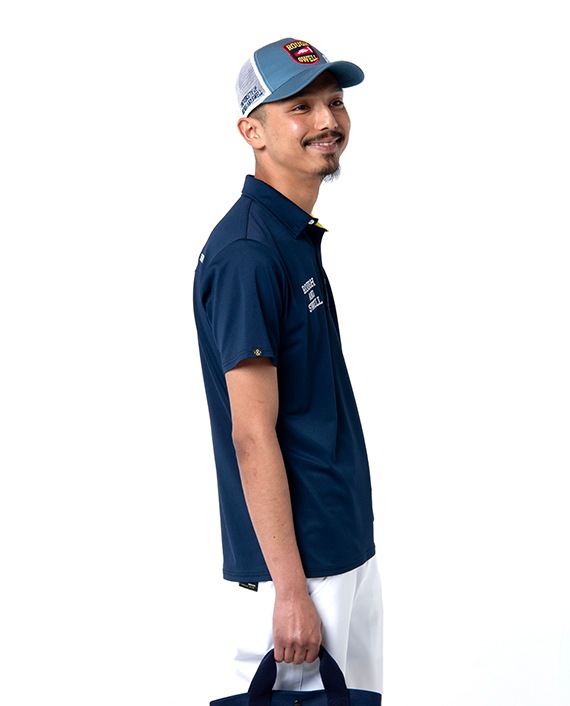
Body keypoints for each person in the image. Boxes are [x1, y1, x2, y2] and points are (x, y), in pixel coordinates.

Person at [193, 38, 383, 695]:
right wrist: (291, 591)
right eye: (299, 107)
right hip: (301, 571)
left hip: (340, 549)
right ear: (252, 131)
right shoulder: (249, 253)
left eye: (334, 101)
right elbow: (251, 433)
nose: (327, 120)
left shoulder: (290, 237)